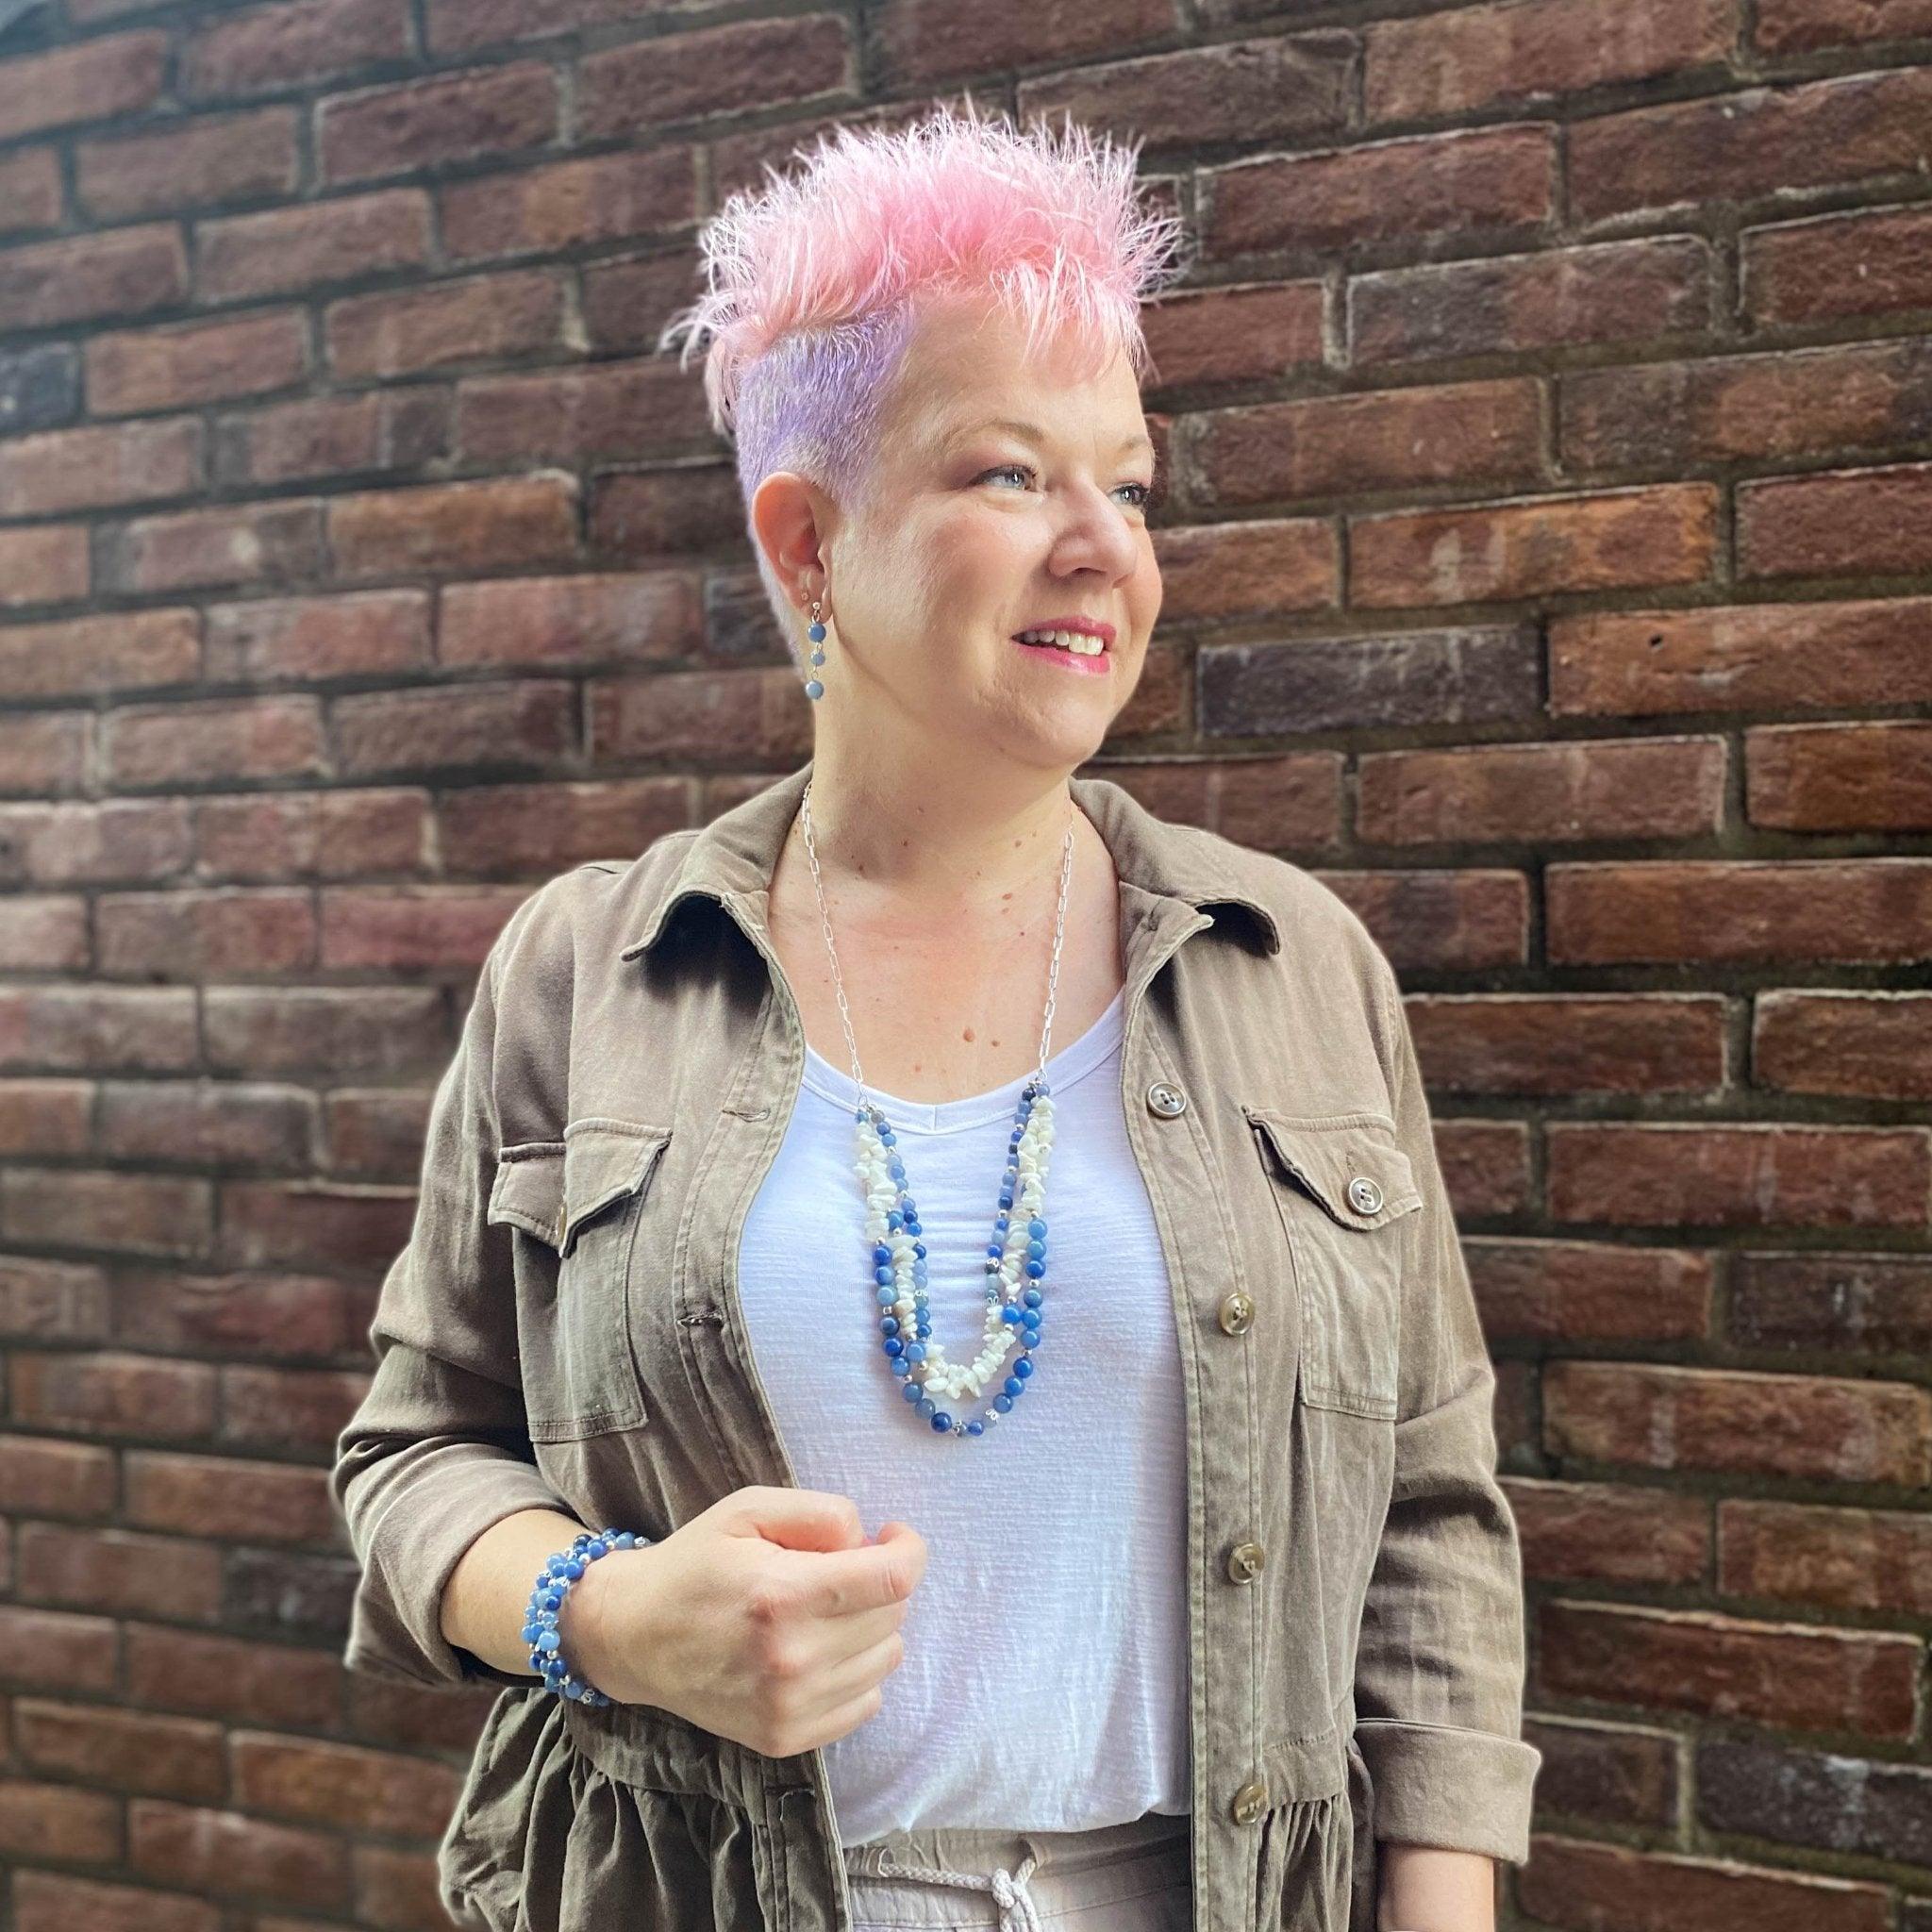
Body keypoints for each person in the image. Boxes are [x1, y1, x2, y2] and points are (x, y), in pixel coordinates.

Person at [329, 96, 1540, 1932]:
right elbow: (415, 1451)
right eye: (1009, 474)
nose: (1103, 546)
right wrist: (615, 1616)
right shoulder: (588, 973)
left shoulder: (1289, 965)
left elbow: (1431, 1520)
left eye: (1130, 484)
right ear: (808, 545)